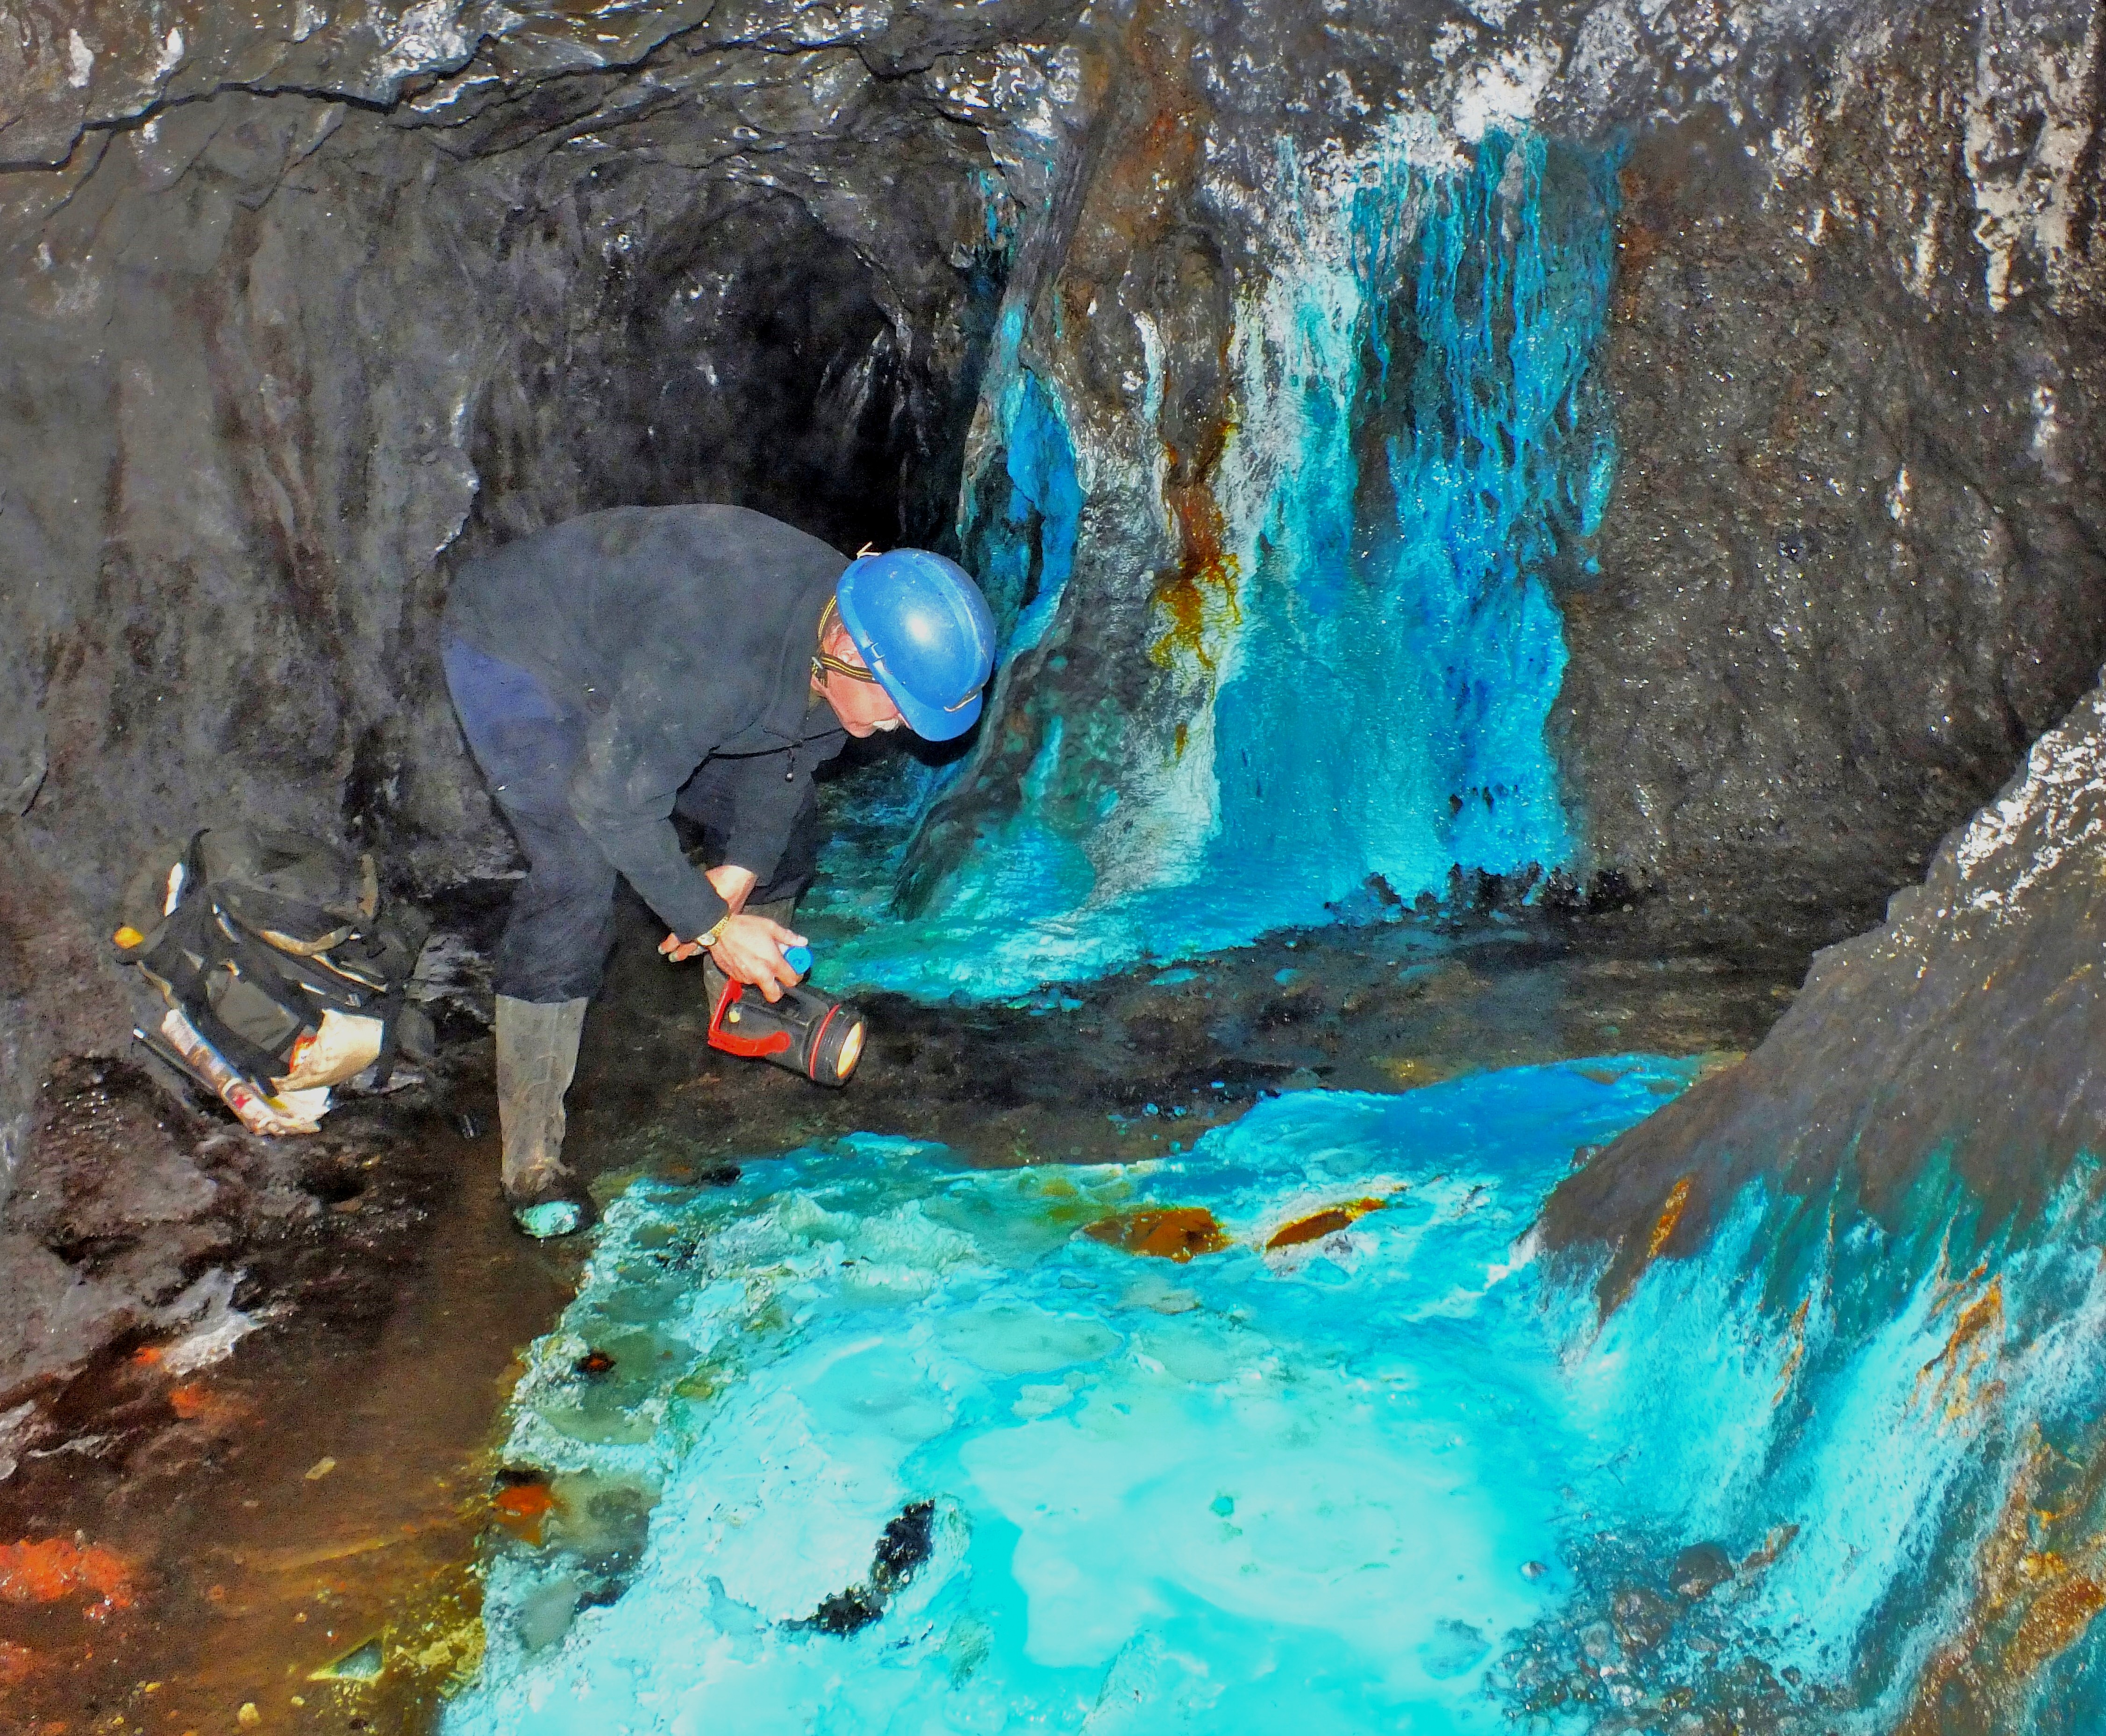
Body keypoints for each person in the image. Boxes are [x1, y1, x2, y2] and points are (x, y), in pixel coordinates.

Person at [441, 504, 997, 1238]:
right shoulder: (719, 658)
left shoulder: (846, 633)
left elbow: (789, 757)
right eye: (897, 710)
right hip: (519, 652)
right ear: (846, 650)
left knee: (781, 830)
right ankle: (533, 1159)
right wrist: (708, 923)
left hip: (638, 667)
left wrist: (739, 871)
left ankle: (749, 1012)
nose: (897, 730)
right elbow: (611, 804)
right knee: (577, 872)